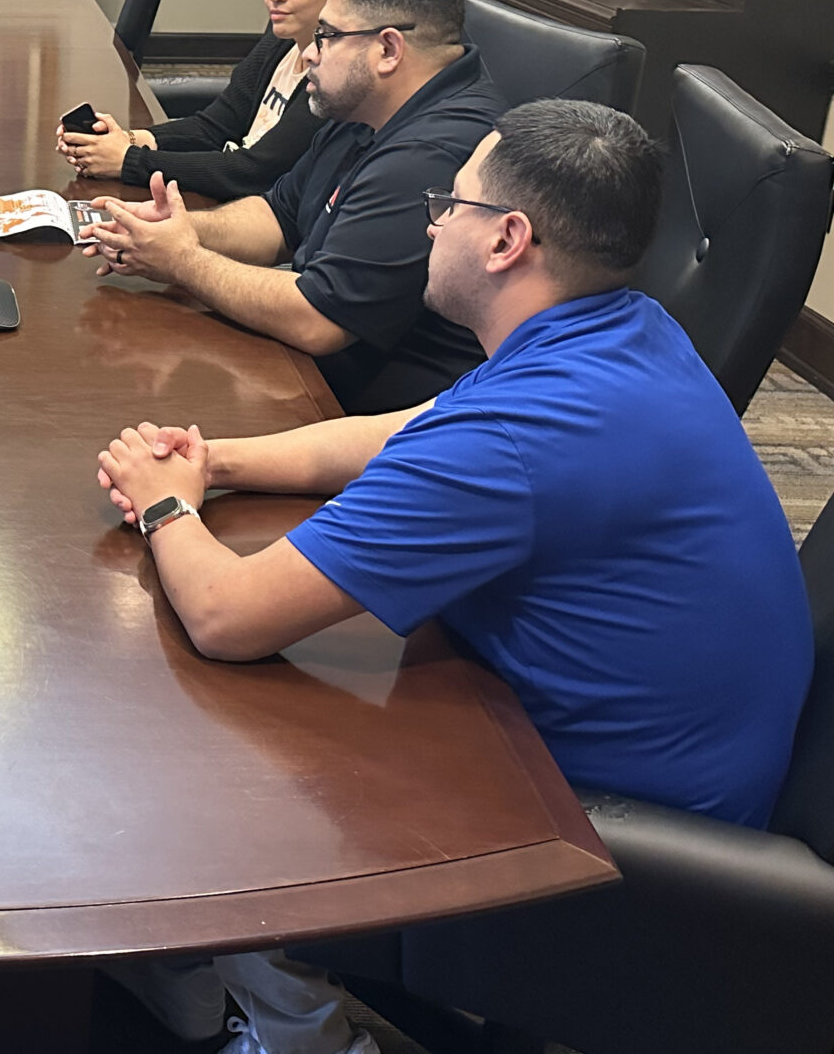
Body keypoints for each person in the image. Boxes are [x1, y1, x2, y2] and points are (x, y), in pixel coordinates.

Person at [95, 100, 813, 1054]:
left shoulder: (516, 441)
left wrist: (163, 505)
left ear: (508, 239)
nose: (432, 221)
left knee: (197, 755)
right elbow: (398, 433)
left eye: (451, 202)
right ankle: (194, 979)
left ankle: (292, 1029)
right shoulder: (622, 329)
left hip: (601, 853)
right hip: (643, 772)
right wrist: (212, 460)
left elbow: (228, 614)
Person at [83, 0, 504, 414]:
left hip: (378, 416)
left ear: (387, 50)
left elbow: (319, 320)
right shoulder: (368, 105)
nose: (307, 53)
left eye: (325, 37)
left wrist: (182, 260)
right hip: (308, 370)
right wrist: (175, 230)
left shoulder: (433, 155)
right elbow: (280, 216)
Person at [58, 0, 362, 200]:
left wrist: (127, 161)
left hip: (252, 213)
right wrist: (129, 139)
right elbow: (214, 126)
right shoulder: (280, 41)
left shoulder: (334, 79)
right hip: (218, 192)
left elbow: (252, 171)